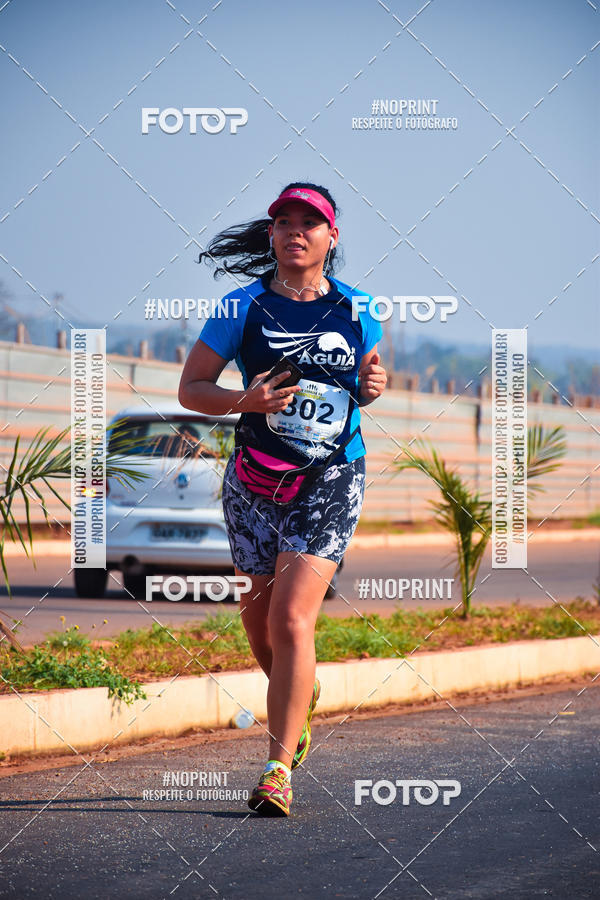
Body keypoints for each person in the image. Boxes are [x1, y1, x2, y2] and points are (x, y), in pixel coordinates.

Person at [178, 182, 387, 816]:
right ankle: (301, 699)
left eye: (310, 222)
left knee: (292, 620)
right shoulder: (240, 306)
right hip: (253, 481)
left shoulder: (359, 307)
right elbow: (192, 389)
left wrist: (375, 385)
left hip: (330, 478)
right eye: (283, 222)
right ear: (270, 235)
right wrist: (246, 401)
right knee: (257, 619)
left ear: (332, 237)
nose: (295, 231)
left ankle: (277, 768)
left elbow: (367, 381)